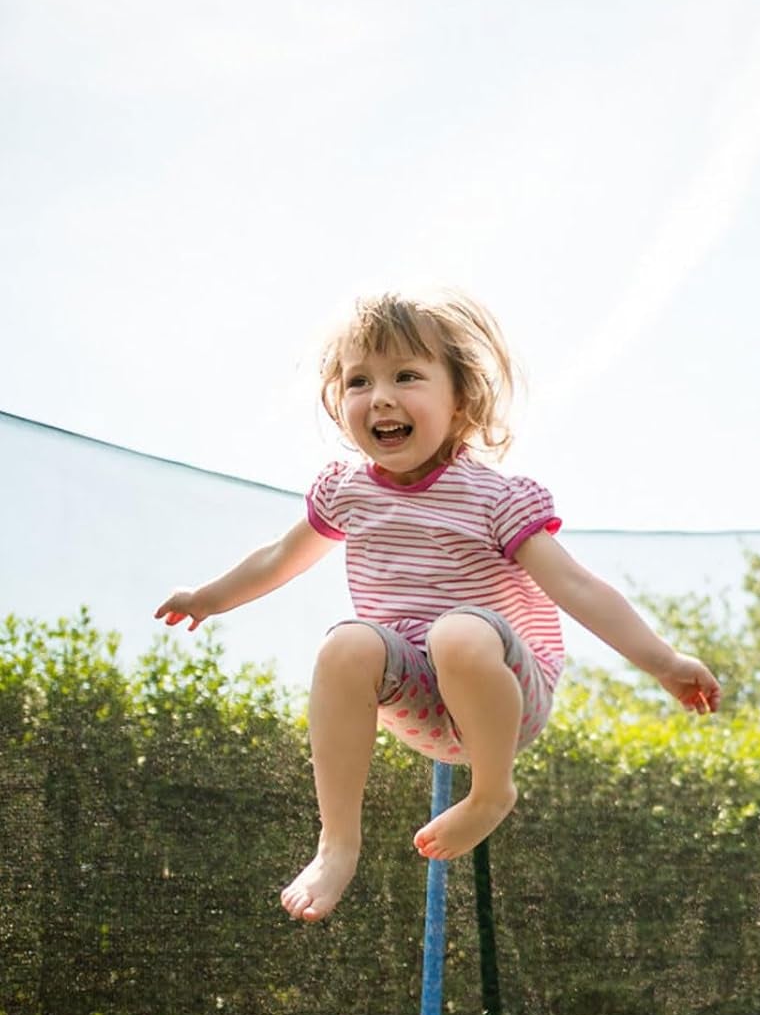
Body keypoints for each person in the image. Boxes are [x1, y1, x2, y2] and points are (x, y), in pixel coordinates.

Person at [156, 289, 721, 922]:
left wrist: (664, 661)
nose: (381, 397)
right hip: (420, 700)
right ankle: (337, 843)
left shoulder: (494, 498)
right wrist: (208, 599)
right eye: (359, 381)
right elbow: (278, 557)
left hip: (507, 693)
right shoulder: (347, 493)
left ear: (460, 401)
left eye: (406, 376)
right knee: (346, 643)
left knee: (458, 632)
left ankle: (491, 791)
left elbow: (578, 587)